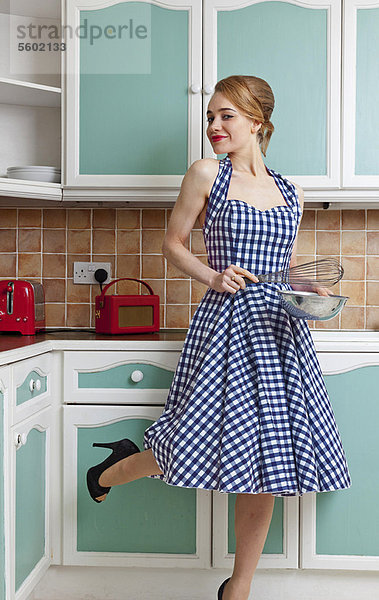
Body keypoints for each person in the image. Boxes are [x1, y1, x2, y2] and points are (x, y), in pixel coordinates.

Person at [87, 75, 351, 600]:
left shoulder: (290, 190)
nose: (213, 126)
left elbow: (278, 263)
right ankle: (109, 470)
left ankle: (239, 590)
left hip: (280, 333)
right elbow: (173, 244)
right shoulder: (207, 174)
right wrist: (212, 276)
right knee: (188, 445)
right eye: (210, 116)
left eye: (226, 115)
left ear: (257, 121)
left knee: (267, 465)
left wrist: (305, 282)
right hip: (226, 328)